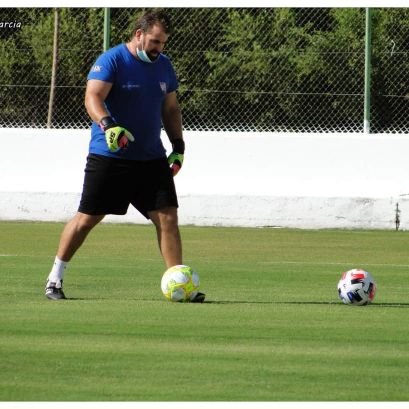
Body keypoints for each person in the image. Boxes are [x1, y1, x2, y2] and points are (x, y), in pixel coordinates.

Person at [44, 9, 205, 303]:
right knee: (87, 219)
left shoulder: (164, 66)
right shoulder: (112, 60)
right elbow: (92, 96)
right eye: (155, 42)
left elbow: (170, 109)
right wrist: (108, 125)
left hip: (151, 158)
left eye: (163, 43)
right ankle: (54, 278)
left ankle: (179, 284)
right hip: (110, 157)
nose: (159, 49)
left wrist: (178, 146)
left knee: (168, 217)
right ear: (139, 34)